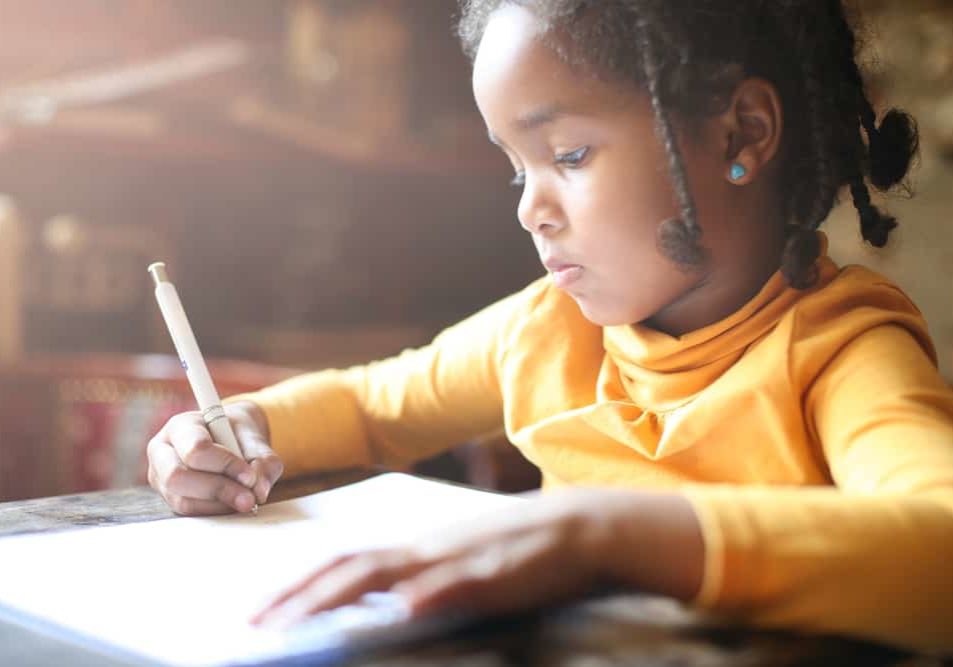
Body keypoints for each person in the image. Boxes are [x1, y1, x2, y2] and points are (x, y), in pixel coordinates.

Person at [146, 0, 953, 653]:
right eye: (515, 168)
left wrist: (604, 533)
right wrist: (237, 429)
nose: (530, 208)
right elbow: (367, 406)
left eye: (567, 155)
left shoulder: (839, 351)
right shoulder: (546, 330)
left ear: (739, 133)